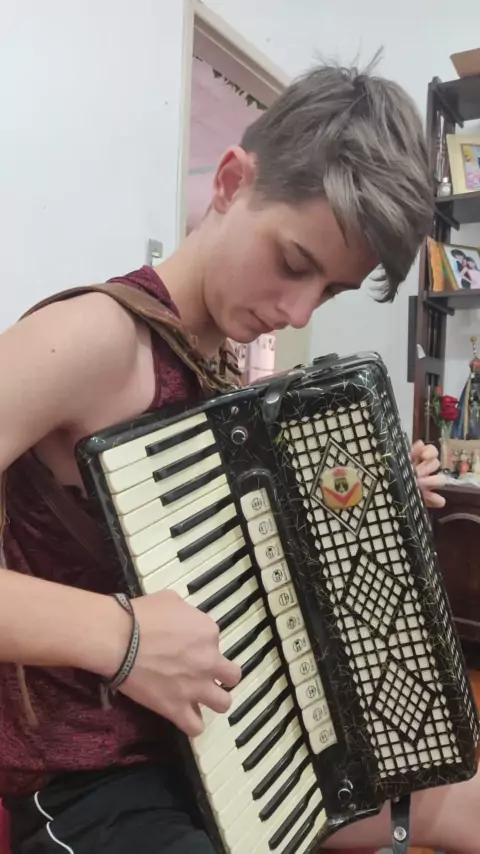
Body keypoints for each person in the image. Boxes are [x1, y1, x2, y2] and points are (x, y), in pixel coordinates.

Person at [0, 58, 475, 854]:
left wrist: (377, 509)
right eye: (294, 263)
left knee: (462, 795)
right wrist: (116, 634)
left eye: (329, 291)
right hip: (97, 790)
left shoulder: (219, 370)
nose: (298, 310)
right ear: (229, 182)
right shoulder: (95, 337)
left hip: (234, 752)